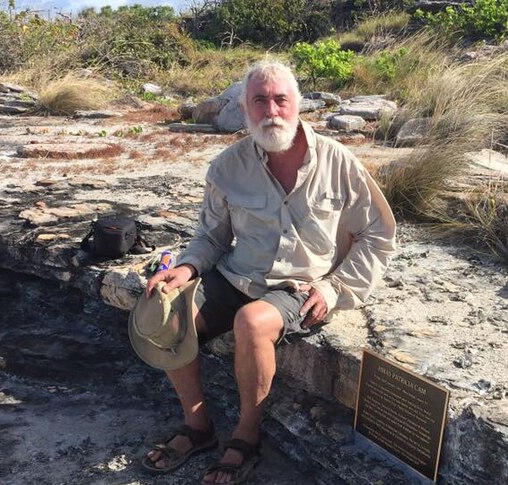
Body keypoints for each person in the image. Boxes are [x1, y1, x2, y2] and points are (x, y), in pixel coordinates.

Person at [133, 60, 396, 484]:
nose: (271, 111)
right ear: (245, 108)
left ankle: (246, 435)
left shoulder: (339, 161)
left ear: (298, 105)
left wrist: (336, 289)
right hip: (239, 276)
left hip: (298, 285)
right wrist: (185, 267)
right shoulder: (227, 167)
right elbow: (212, 237)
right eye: (260, 101)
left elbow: (379, 235)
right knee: (167, 312)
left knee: (252, 322)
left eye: (280, 100)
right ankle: (198, 425)